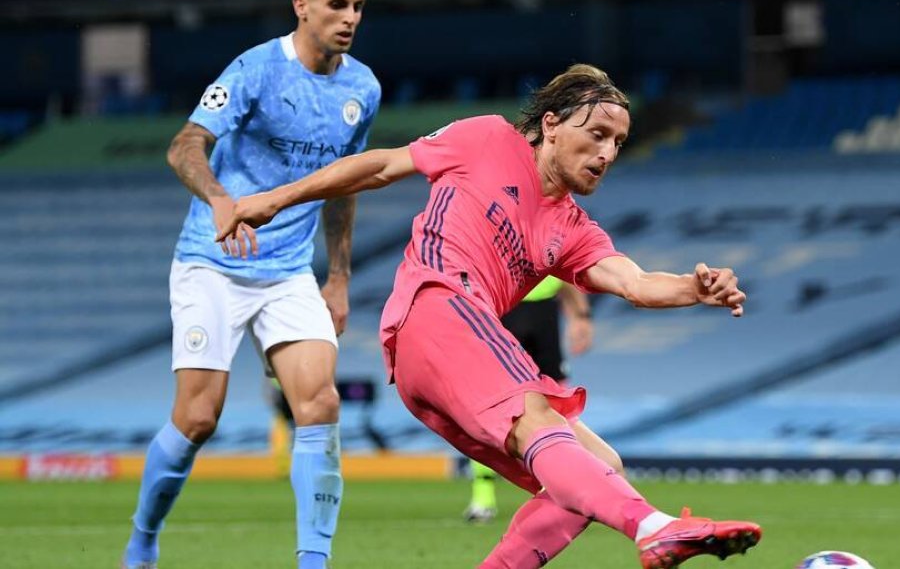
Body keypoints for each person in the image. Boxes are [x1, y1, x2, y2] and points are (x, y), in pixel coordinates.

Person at [219, 64, 761, 568]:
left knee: (600, 472)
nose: (607, 152)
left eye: (618, 142)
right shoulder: (486, 138)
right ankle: (653, 525)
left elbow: (635, 282)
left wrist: (694, 288)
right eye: (596, 133)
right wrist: (276, 199)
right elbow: (383, 164)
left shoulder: (572, 228)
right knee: (544, 422)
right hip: (434, 307)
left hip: (442, 361)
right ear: (551, 124)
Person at [121, 0, 381, 569]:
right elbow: (185, 145)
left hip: (290, 271)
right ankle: (142, 540)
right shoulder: (256, 69)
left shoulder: (362, 89)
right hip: (212, 261)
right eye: (337, 5)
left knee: (319, 403)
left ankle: (312, 562)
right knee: (198, 418)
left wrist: (338, 277)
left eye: (359, 7)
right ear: (303, 6)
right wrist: (218, 198)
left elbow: (341, 187)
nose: (349, 18)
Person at [463, 276, 593, 524]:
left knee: (557, 403)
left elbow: (563, 268)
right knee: (488, 404)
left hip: (544, 312)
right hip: (502, 309)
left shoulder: (549, 239)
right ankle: (483, 496)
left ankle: (568, 489)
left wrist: (581, 315)